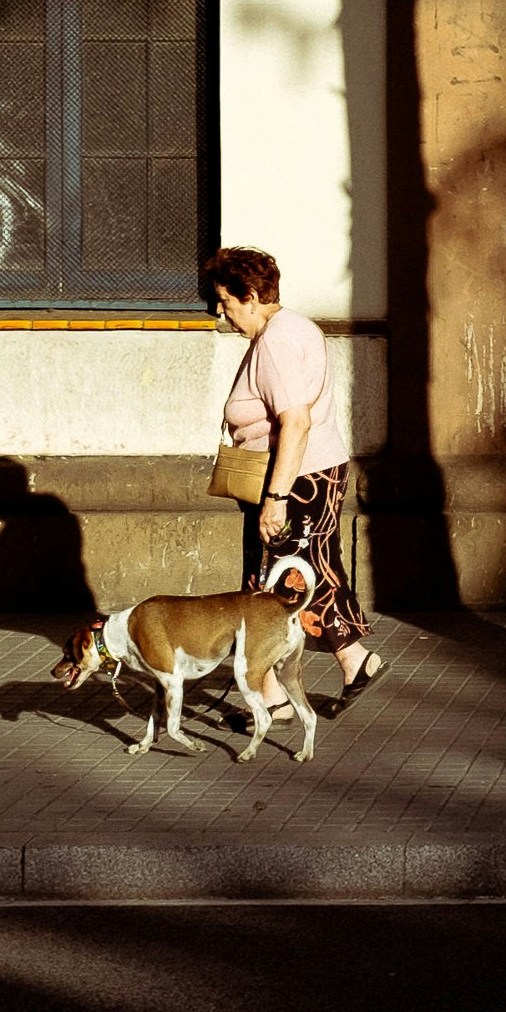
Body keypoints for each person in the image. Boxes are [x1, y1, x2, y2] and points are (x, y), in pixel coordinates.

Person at [204, 245, 384, 716]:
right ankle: (353, 661)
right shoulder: (296, 327)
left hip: (293, 477)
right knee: (309, 571)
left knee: (268, 588)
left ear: (251, 295)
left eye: (225, 301)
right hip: (315, 470)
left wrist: (276, 498)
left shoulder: (277, 342)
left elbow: (296, 421)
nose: (221, 314)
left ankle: (273, 698)